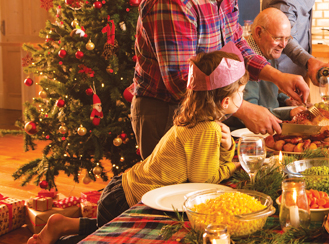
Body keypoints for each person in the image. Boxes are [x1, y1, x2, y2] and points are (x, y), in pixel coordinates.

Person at [28, 48, 249, 244]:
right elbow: (204, 181)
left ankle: (61, 224)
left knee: (105, 227)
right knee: (105, 238)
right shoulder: (207, 129)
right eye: (241, 91)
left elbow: (203, 169)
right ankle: (64, 233)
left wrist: (226, 148)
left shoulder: (195, 121)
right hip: (128, 200)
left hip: (122, 189)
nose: (243, 95)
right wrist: (234, 166)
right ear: (225, 101)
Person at [132, 0, 309, 158]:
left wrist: (277, 76)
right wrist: (243, 109)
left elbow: (237, 46)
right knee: (173, 192)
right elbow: (181, 81)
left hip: (205, 108)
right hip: (167, 112)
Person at [226, 8, 306, 130]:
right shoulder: (244, 64)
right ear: (258, 33)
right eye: (278, 38)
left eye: (287, 39)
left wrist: (286, 101)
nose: (283, 45)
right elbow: (249, 115)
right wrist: (288, 113)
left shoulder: (268, 53)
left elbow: (267, 98)